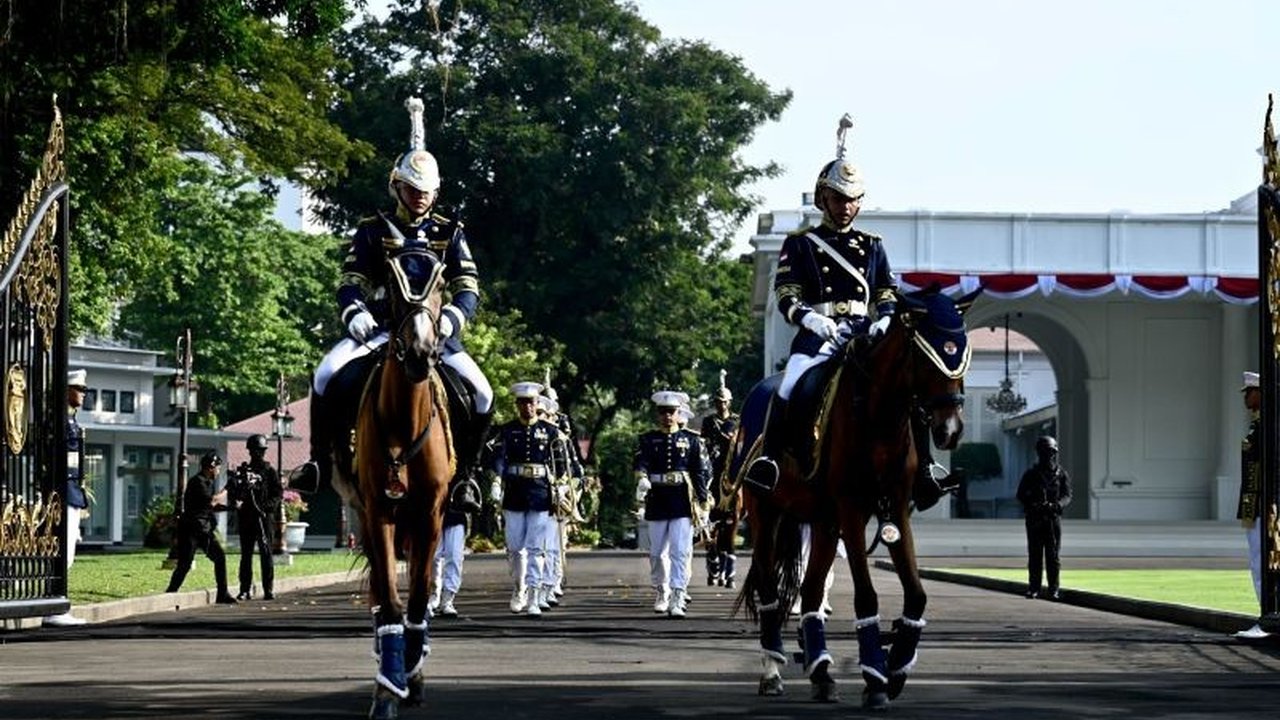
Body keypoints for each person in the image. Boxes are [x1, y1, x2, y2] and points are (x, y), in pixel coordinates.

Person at [293, 97, 492, 511]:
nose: (420, 197)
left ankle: (468, 478)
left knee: (484, 393)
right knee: (325, 373)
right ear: (397, 185)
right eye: (413, 189)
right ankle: (317, 461)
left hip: (434, 334)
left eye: (427, 191)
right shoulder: (372, 229)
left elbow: (468, 285)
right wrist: (356, 314)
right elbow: (350, 283)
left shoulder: (450, 231)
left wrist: (453, 320)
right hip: (380, 328)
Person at [745, 115, 897, 492]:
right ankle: (770, 460)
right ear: (823, 199)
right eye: (838, 198)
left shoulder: (873, 245)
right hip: (818, 338)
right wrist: (810, 320)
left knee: (902, 388)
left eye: (852, 200)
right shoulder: (801, 244)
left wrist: (885, 319)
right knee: (790, 384)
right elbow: (786, 294)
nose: (846, 206)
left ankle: (919, 469)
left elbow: (886, 292)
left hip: (863, 337)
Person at [635, 391, 711, 618]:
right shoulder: (648, 439)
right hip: (657, 499)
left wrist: (704, 502)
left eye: (671, 412)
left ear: (679, 413)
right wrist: (642, 478)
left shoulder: (692, 439)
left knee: (680, 551)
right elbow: (641, 461)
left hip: (682, 501)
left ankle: (678, 594)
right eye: (663, 412)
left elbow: (699, 472)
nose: (667, 416)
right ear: (658, 414)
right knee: (658, 553)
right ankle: (662, 590)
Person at [489, 381, 559, 616]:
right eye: (522, 402)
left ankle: (534, 594)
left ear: (537, 404)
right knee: (516, 547)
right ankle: (518, 588)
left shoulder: (549, 431)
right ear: (517, 405)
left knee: (536, 548)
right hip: (515, 492)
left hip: (539, 492)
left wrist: (561, 488)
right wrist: (497, 481)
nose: (527, 407)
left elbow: (560, 461)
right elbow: (499, 458)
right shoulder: (507, 430)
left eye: (531, 402)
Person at [44, 369, 91, 627]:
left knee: (68, 552)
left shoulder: (70, 421)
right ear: (66, 391)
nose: (83, 394)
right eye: (79, 389)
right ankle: (54, 606)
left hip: (71, 491)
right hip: (62, 492)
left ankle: (55, 604)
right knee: (62, 553)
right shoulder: (60, 421)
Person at [166, 451, 237, 604]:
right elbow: (211, 501)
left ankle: (222, 593)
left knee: (220, 557)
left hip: (203, 529)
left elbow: (209, 506)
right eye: (217, 468)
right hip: (192, 530)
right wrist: (227, 489)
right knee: (185, 564)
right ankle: (170, 592)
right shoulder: (197, 482)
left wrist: (232, 507)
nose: (218, 471)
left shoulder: (207, 483)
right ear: (211, 467)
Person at [1235, 371, 1270, 640]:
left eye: (1250, 391)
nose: (1247, 397)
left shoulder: (1266, 426)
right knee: (1258, 562)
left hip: (1263, 503)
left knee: (1262, 563)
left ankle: (1268, 619)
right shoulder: (1257, 425)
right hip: (1254, 502)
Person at [1016, 436, 1072, 600]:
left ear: (1054, 453)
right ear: (1038, 453)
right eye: (1043, 452)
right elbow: (1020, 495)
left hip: (1053, 518)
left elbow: (1067, 495)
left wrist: (1058, 505)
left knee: (1053, 557)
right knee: (1035, 555)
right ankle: (1034, 588)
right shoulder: (1030, 474)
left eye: (1050, 452)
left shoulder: (1061, 474)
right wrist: (1033, 504)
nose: (1047, 455)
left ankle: (1053, 589)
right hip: (1035, 519)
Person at [228, 434, 282, 601]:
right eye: (253, 451)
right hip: (247, 517)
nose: (256, 454)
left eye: (259, 451)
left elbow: (277, 494)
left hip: (264, 518)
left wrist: (265, 508)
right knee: (246, 555)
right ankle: (245, 589)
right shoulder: (243, 472)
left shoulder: (270, 472)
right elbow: (234, 493)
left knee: (266, 553)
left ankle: (268, 589)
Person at [699, 370, 740, 588]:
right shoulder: (708, 421)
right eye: (718, 401)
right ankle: (713, 561)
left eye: (724, 402)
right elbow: (704, 444)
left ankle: (730, 572)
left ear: (730, 402)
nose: (721, 405)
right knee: (711, 521)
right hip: (714, 468)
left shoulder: (736, 420)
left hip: (732, 468)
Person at [429, 502, 470, 618]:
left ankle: (448, 598)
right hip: (432, 511)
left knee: (454, 555)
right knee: (433, 556)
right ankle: (433, 593)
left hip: (456, 510)